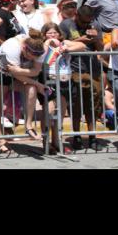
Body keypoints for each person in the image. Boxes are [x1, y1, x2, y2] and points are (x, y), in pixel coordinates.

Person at [0, 29, 48, 153]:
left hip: (17, 73)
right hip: (0, 72)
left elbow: (35, 71)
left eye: (35, 58)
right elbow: (17, 74)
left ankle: (28, 125)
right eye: (29, 56)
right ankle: (0, 139)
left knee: (31, 89)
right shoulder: (12, 47)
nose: (31, 59)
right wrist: (37, 83)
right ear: (24, 48)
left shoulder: (40, 48)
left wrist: (19, 71)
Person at [59, 5, 105, 150]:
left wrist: (96, 38)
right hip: (74, 69)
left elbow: (101, 48)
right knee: (76, 104)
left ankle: (92, 137)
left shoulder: (94, 25)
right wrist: (83, 39)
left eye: (88, 22)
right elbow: (62, 44)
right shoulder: (66, 25)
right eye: (84, 22)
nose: (86, 24)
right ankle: (77, 136)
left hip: (93, 70)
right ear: (76, 15)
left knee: (93, 104)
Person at [40, 22, 83, 154]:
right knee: (49, 112)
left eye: (55, 33)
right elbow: (42, 55)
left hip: (65, 81)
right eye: (49, 33)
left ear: (59, 34)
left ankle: (57, 141)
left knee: (60, 115)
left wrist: (67, 48)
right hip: (50, 81)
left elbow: (82, 45)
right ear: (44, 35)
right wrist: (48, 42)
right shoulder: (43, 45)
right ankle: (45, 142)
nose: (53, 35)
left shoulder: (64, 43)